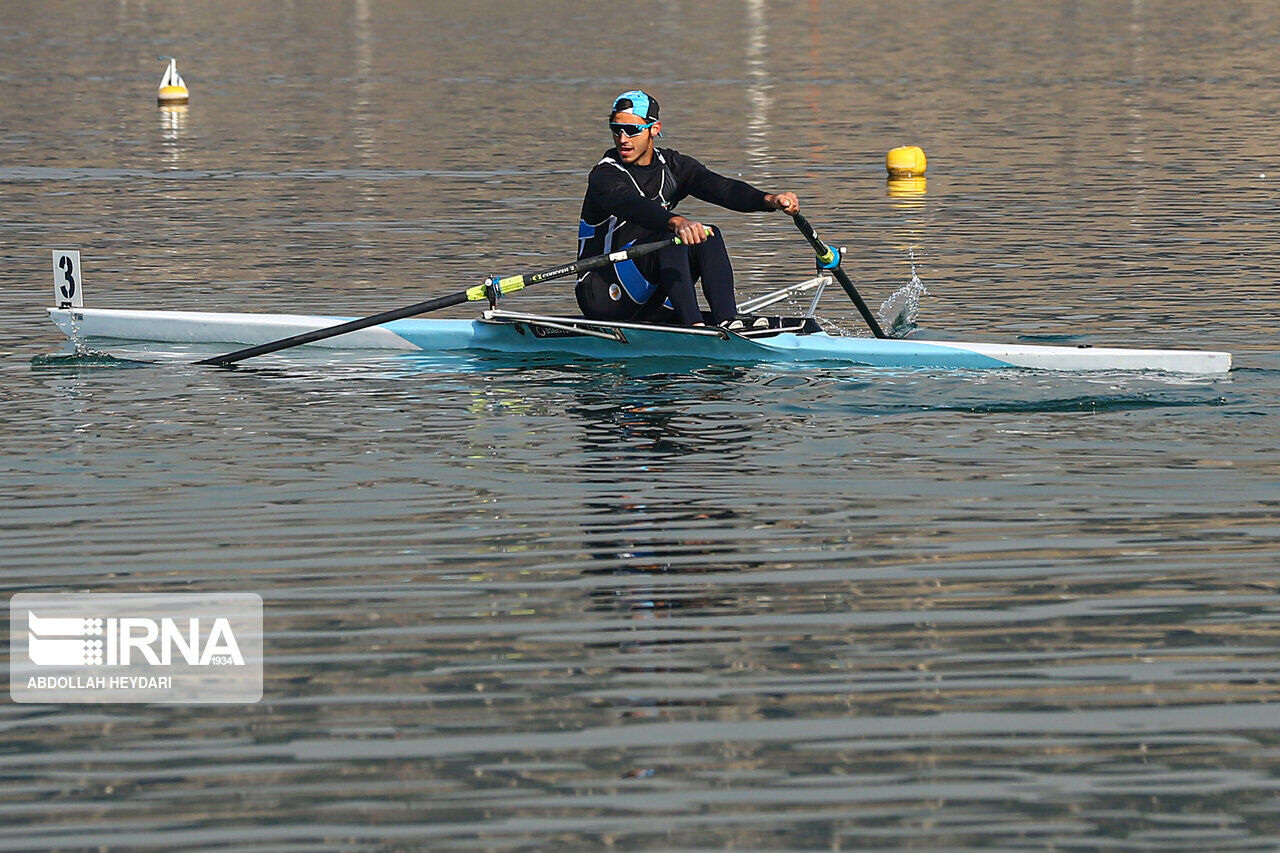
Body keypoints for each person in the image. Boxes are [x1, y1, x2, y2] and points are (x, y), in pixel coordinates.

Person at [576, 90, 800, 327]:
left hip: (647, 292)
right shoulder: (604, 175)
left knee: (708, 234)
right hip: (603, 292)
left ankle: (727, 321)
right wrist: (676, 222)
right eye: (616, 129)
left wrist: (768, 200)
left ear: (654, 128)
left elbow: (722, 188)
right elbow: (631, 205)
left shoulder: (673, 166)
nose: (622, 138)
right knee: (673, 237)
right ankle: (694, 326)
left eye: (632, 130)